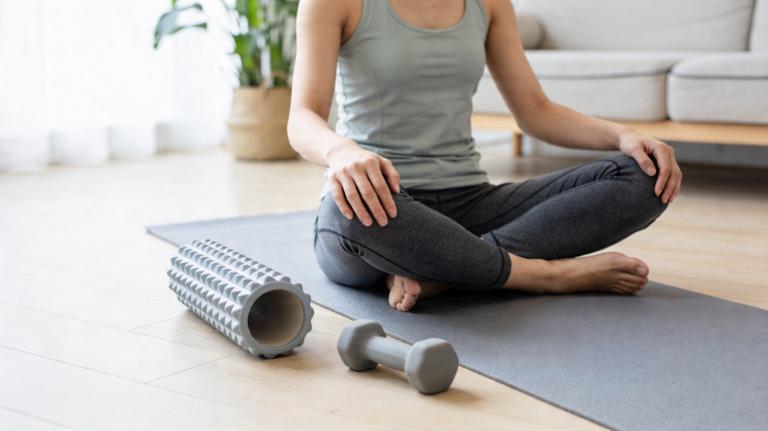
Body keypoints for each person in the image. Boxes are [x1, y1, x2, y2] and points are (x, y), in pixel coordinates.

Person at [287, 0, 683, 312]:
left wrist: (622, 135)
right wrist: (341, 151)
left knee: (646, 175)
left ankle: (444, 268)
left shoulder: (490, 3)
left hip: (470, 203)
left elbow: (535, 111)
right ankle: (545, 276)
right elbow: (302, 117)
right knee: (345, 212)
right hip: (382, 205)